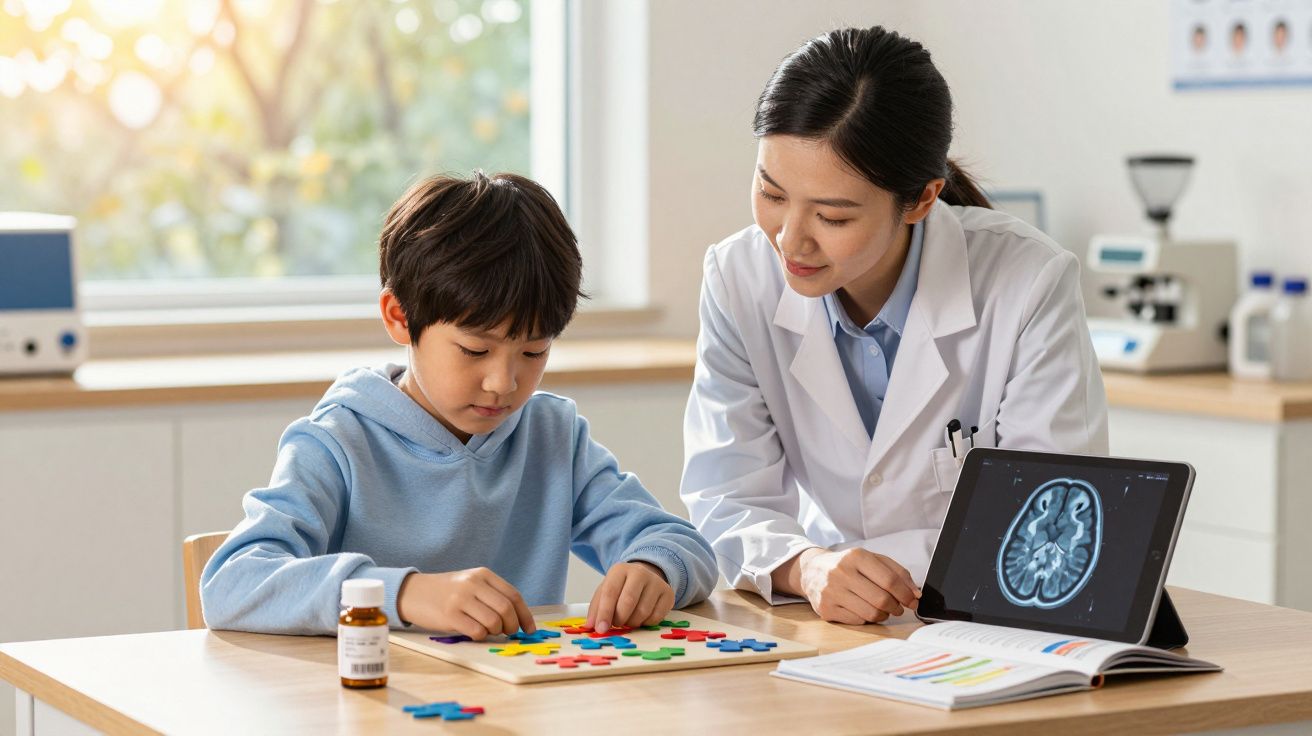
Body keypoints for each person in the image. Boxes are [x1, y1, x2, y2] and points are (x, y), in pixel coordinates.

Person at [680, 26, 1108, 627]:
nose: (789, 240)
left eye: (832, 216)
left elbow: (1051, 515)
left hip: (990, 626)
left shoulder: (1028, 282)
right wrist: (806, 566)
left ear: (922, 199)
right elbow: (726, 494)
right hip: (828, 621)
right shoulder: (738, 277)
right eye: (772, 194)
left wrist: (867, 569)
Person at [202, 172, 718, 638]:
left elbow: (682, 543)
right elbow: (232, 583)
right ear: (399, 317)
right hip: (378, 697)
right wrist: (403, 594)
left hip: (517, 699)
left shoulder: (551, 436)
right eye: (474, 350)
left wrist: (654, 568)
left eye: (533, 352)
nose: (503, 382)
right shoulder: (337, 441)